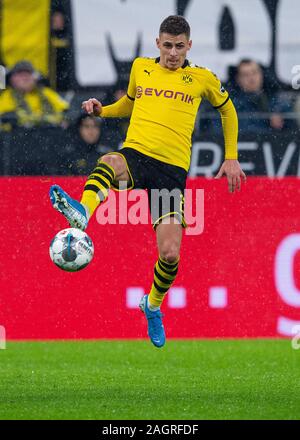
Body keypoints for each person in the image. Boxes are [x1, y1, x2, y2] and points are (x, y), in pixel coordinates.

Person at [49, 15, 246, 348]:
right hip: (137, 153)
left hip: (171, 171)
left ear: (189, 46)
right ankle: (83, 212)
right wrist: (102, 111)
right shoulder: (142, 67)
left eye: (179, 47)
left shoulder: (201, 78)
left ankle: (152, 305)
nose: (172, 53)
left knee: (170, 254)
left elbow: (228, 110)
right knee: (109, 161)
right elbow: (129, 103)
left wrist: (231, 156)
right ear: (157, 43)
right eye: (167, 45)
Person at [0, 60, 69, 129]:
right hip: (21, 136)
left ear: (35, 78)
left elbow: (67, 112)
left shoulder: (47, 93)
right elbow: (4, 118)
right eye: (20, 74)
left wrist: (64, 121)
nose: (25, 78)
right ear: (12, 79)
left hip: (51, 134)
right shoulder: (6, 96)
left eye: (28, 74)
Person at [232, 59, 293, 134]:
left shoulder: (278, 102)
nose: (251, 78)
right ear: (238, 79)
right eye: (246, 75)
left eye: (254, 73)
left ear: (261, 74)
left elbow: (293, 130)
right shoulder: (232, 105)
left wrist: (281, 124)